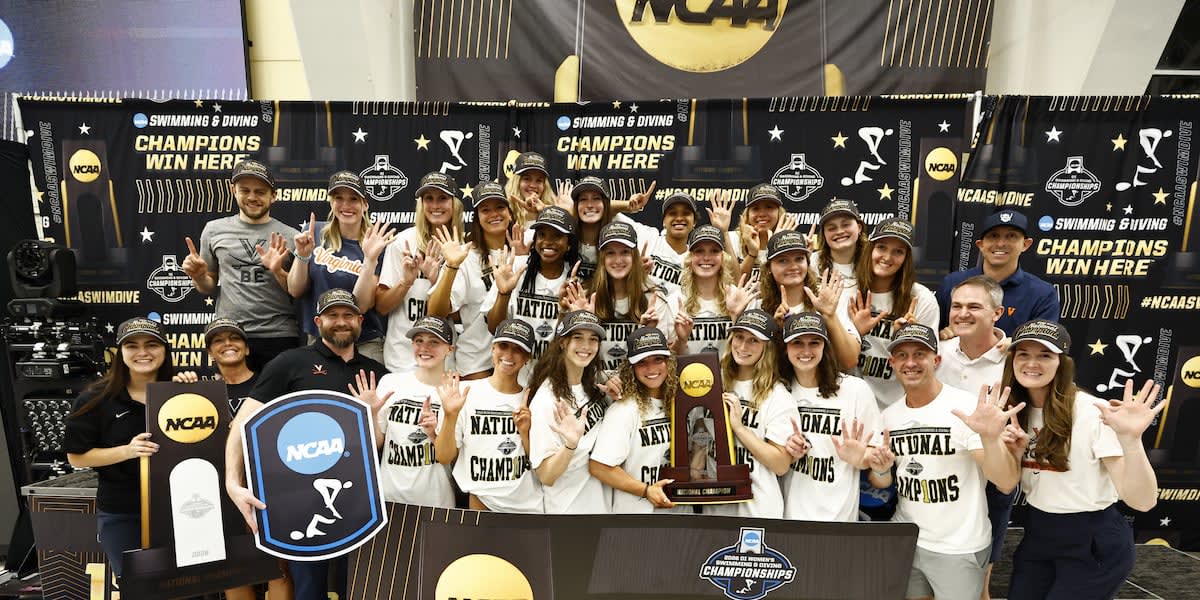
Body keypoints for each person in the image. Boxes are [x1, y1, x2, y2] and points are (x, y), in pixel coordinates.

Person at [223, 288, 387, 600]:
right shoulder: (290, 363)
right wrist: (233, 482)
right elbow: (243, 425)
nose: (341, 322)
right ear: (317, 321)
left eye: (348, 315)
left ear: (360, 320)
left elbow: (381, 445)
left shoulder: (378, 373)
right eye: (332, 315)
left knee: (361, 589)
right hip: (301, 508)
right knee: (309, 592)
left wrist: (370, 417)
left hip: (362, 510)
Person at [1000, 320, 1163, 599]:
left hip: (1092, 538)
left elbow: (1143, 501)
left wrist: (1132, 441)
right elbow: (1006, 484)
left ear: (1062, 363)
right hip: (1039, 533)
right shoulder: (1012, 412)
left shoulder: (1091, 412)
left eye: (1045, 355)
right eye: (1023, 354)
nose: (1031, 363)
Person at [867, 323, 1022, 600]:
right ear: (892, 363)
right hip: (909, 539)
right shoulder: (888, 417)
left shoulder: (964, 409)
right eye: (902, 355)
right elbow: (883, 481)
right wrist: (879, 468)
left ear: (936, 360)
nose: (910, 362)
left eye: (920, 354)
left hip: (959, 545)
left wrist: (988, 438)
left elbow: (1006, 482)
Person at [174, 318, 292, 600]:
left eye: (234, 338)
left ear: (247, 348)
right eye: (218, 341)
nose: (228, 344)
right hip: (216, 490)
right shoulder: (199, 392)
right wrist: (181, 392)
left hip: (268, 485)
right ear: (209, 353)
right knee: (232, 569)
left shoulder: (272, 384)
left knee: (279, 566)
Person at [63, 318, 176, 580]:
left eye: (151, 344)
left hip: (177, 507)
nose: (143, 353)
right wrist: (127, 451)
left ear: (165, 350)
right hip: (122, 512)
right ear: (119, 353)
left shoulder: (179, 392)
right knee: (139, 587)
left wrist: (193, 390)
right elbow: (76, 457)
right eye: (132, 346)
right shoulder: (96, 398)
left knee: (183, 587)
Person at [181, 158, 299, 372]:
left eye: (260, 192)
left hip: (280, 335)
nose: (252, 197)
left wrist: (277, 271)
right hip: (231, 335)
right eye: (245, 190)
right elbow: (208, 286)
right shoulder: (213, 230)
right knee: (234, 401)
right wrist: (199, 277)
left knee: (279, 404)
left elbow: (297, 292)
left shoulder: (292, 237)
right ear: (233, 190)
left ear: (274, 196)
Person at [934, 275, 1010, 600]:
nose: (962, 313)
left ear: (998, 313)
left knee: (979, 585)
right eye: (958, 306)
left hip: (991, 478)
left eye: (974, 307)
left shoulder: (1015, 360)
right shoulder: (937, 353)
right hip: (941, 477)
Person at [778, 312, 880, 522]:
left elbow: (873, 454)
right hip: (787, 520)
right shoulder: (778, 391)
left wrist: (864, 458)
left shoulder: (856, 390)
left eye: (814, 342)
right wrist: (786, 449)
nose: (806, 351)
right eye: (797, 343)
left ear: (825, 346)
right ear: (786, 347)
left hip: (839, 521)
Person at [432, 319, 542, 512]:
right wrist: (450, 415)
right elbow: (443, 456)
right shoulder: (465, 392)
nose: (508, 354)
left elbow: (539, 463)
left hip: (528, 508)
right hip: (481, 504)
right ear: (492, 348)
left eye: (517, 349)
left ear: (527, 358)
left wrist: (525, 432)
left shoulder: (534, 399)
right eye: (503, 345)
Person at [287, 171, 395, 363]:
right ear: (331, 202)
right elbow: (295, 290)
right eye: (339, 198)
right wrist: (302, 255)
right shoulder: (314, 233)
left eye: (353, 199)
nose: (346, 206)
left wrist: (370, 260)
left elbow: (362, 305)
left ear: (365, 204)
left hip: (364, 343)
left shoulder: (377, 243)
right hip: (319, 338)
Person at [705, 309, 799, 519]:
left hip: (757, 509)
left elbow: (781, 464)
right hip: (716, 505)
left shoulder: (777, 396)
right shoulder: (713, 381)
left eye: (753, 340)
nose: (743, 346)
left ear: (767, 347)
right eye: (739, 337)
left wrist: (739, 428)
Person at [840, 217, 939, 409]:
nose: (887, 257)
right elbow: (832, 360)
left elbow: (931, 364)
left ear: (907, 259)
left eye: (898, 251)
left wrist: (909, 338)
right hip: (850, 405)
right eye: (882, 247)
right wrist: (855, 333)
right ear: (870, 249)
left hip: (899, 407)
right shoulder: (847, 292)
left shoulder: (921, 299)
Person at [427, 180, 519, 379]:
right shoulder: (466, 256)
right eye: (485, 209)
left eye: (500, 207)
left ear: (510, 213)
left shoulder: (524, 252)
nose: (494, 214)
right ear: (477, 217)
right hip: (477, 364)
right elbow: (435, 313)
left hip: (520, 363)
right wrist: (451, 266)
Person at [362, 315, 457, 508]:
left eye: (434, 342)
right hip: (389, 497)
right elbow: (378, 443)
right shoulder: (391, 382)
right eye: (418, 341)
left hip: (436, 500)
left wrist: (434, 433)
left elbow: (452, 457)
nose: (424, 348)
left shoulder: (456, 391)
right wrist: (370, 414)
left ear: (449, 349)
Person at [377, 171, 463, 373]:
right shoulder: (403, 242)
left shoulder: (462, 247)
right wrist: (406, 282)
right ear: (421, 204)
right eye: (429, 198)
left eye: (442, 198)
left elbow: (460, 315)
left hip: (443, 363)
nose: (435, 205)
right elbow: (381, 306)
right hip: (401, 361)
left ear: (454, 203)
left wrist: (436, 280)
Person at [589, 327, 682, 514]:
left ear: (669, 362)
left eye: (658, 359)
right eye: (642, 362)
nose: (651, 369)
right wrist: (646, 491)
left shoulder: (680, 403)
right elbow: (599, 467)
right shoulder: (624, 410)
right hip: (636, 518)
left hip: (678, 514)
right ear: (631, 367)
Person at [527, 310, 611, 513]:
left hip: (602, 509)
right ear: (563, 343)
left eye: (593, 339)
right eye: (577, 337)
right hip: (568, 514)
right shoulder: (547, 400)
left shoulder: (593, 384)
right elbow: (546, 475)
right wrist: (570, 444)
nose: (586, 346)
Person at [484, 205, 580, 383]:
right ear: (535, 240)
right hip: (514, 373)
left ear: (568, 244)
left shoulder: (575, 281)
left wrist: (565, 312)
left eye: (557, 236)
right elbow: (494, 328)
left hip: (555, 376)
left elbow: (571, 343)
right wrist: (504, 294)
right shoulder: (517, 267)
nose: (547, 242)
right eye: (542, 235)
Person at [936, 209, 1059, 338]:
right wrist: (943, 336)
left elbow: (1042, 346)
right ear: (981, 244)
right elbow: (935, 335)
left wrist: (1013, 345)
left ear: (1025, 244)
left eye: (1011, 236)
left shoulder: (1042, 294)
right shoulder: (953, 283)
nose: (1001, 244)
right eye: (993, 236)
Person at [578, 221, 672, 377]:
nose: (618, 260)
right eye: (610, 253)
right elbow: (570, 360)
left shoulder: (654, 299)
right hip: (593, 391)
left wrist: (648, 332)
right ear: (602, 258)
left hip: (639, 392)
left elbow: (663, 362)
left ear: (634, 256)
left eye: (625, 252)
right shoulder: (586, 297)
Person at [756, 230, 859, 368]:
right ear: (769, 267)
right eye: (783, 261)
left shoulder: (828, 300)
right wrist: (776, 331)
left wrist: (829, 316)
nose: (793, 266)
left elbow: (850, 361)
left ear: (808, 262)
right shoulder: (758, 306)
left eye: (799, 259)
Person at [668, 225, 758, 357]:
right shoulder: (675, 301)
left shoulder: (739, 297)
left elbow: (752, 352)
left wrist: (736, 318)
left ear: (723, 257)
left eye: (714, 251)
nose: (706, 257)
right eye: (699, 251)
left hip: (730, 376)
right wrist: (681, 340)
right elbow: (667, 361)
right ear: (689, 258)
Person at [729, 183, 798, 279]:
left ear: (779, 212)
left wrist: (777, 248)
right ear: (747, 214)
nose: (762, 214)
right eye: (755, 208)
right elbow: (733, 283)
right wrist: (752, 254)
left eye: (769, 207)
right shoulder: (732, 239)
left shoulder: (791, 241)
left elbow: (785, 284)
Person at [811, 198, 869, 287]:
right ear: (824, 234)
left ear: (859, 228)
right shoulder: (812, 263)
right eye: (831, 228)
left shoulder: (872, 261)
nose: (839, 231)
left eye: (846, 225)